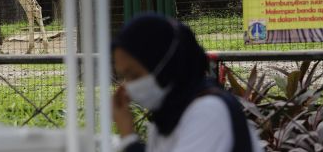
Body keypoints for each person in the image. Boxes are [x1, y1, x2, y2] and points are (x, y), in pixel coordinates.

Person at [111, 13, 263, 152]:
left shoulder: (208, 111)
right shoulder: (168, 115)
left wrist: (129, 141)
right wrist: (127, 133)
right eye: (124, 76)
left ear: (165, 65)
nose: (129, 87)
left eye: (135, 75)